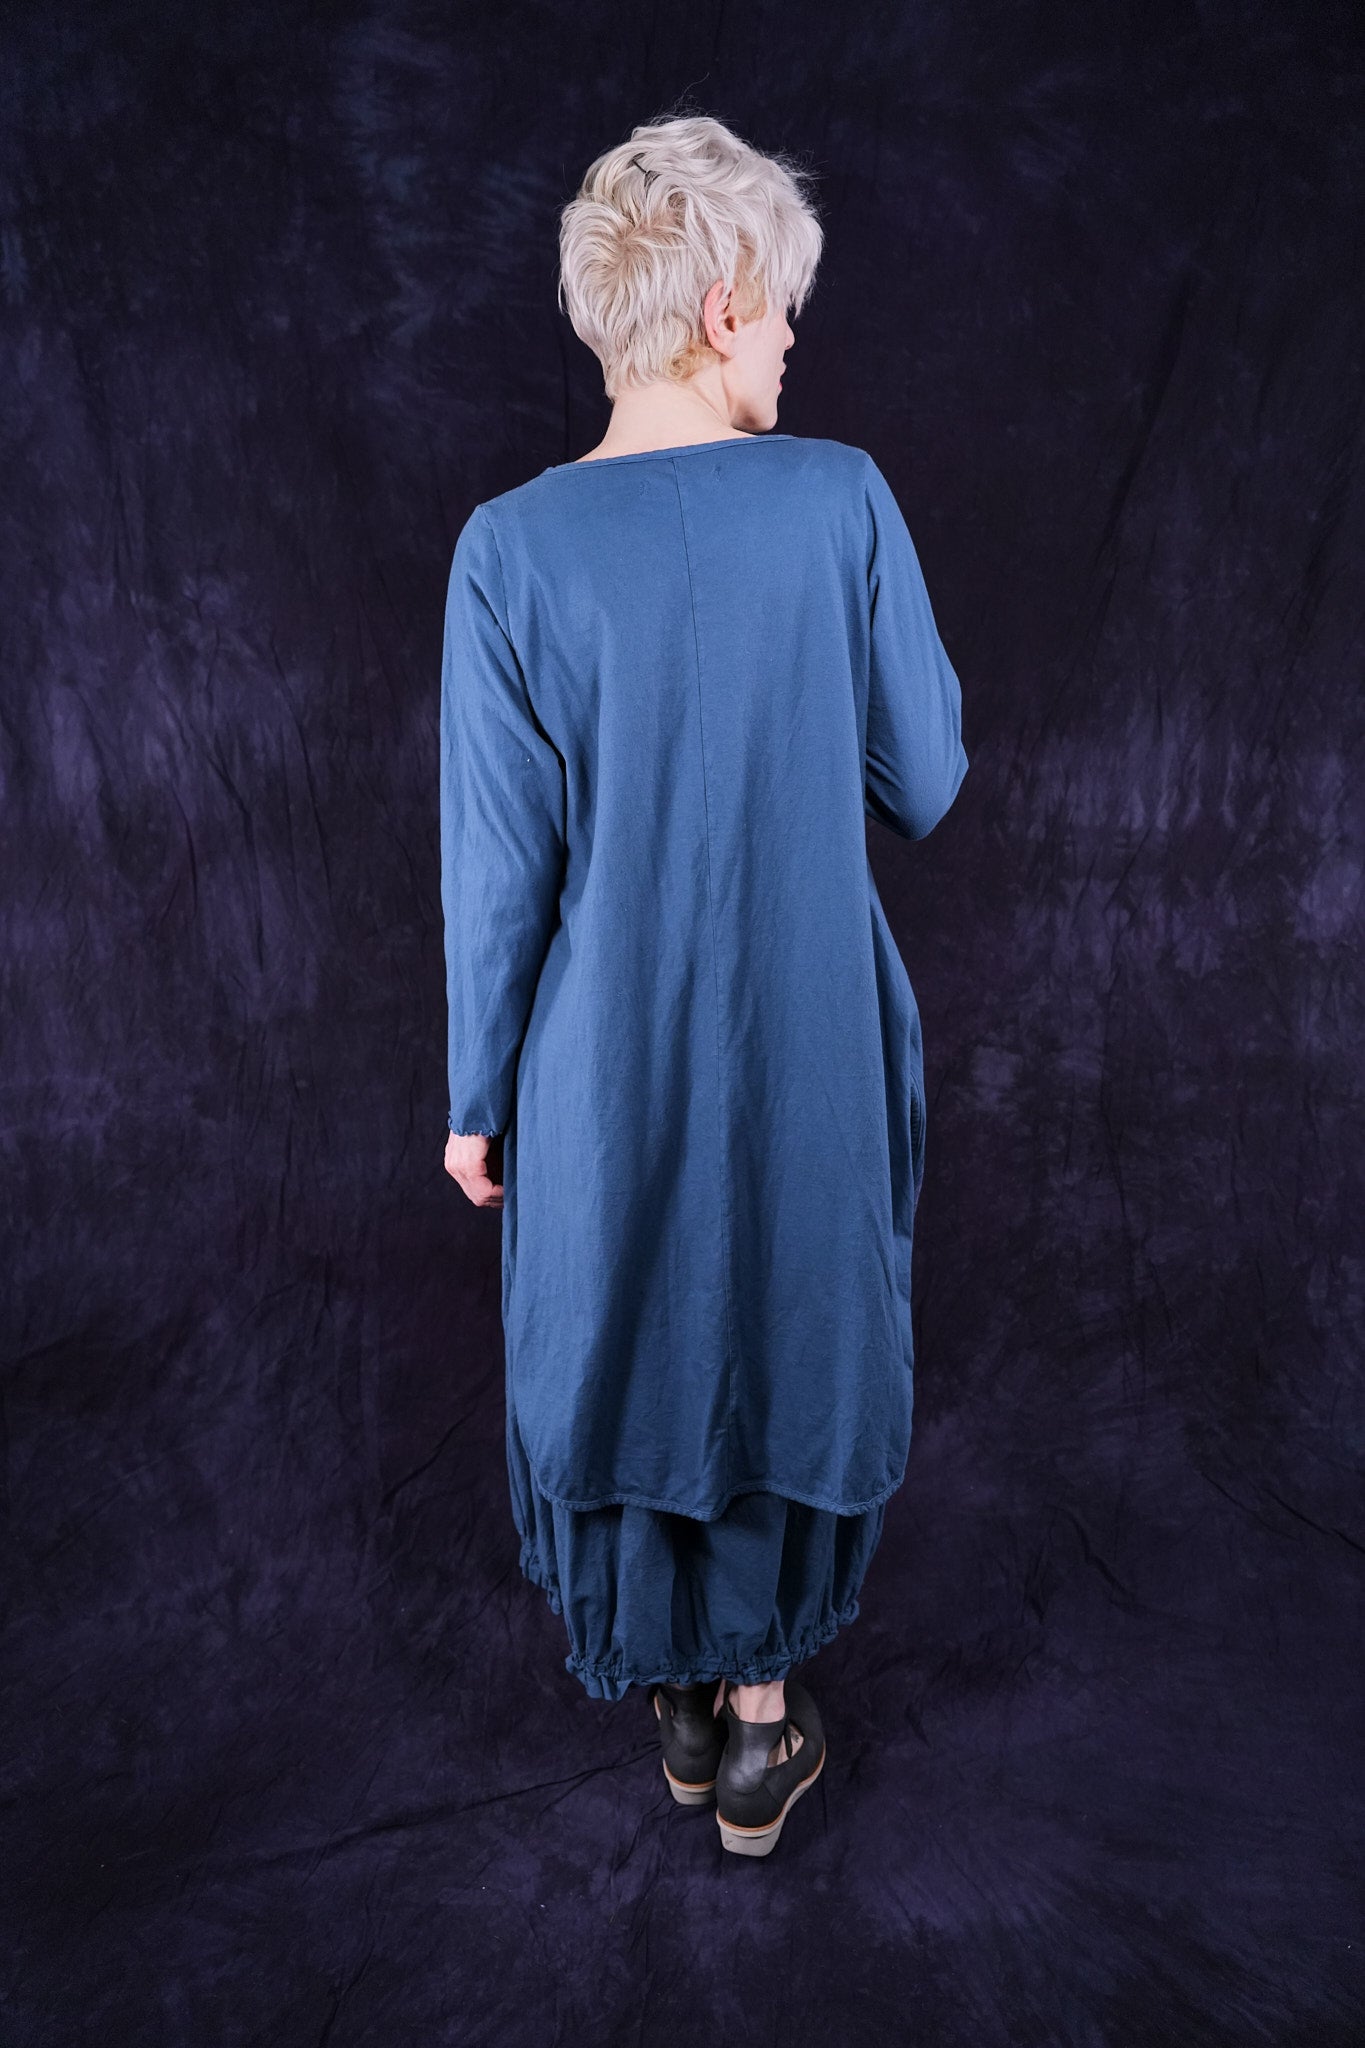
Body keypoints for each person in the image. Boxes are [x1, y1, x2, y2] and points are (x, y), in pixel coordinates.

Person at [439, 112, 968, 1857]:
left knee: (635, 1315)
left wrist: (476, 1096)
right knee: (790, 1314)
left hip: (599, 1050)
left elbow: (500, 873)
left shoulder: (507, 547)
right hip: (809, 1032)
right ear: (726, 300)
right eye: (786, 305)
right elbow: (925, 780)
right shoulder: (839, 497)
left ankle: (669, 1694)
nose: (795, 340)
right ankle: (757, 1726)